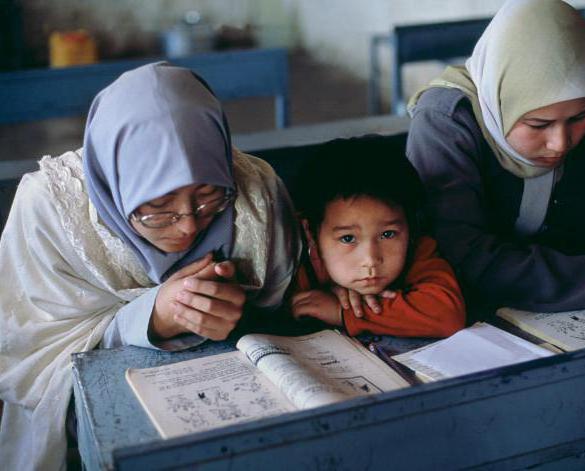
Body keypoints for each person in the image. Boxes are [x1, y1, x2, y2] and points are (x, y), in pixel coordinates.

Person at [0, 63, 300, 470]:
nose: (190, 225)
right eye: (158, 209)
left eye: (209, 196)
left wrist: (235, 310)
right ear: (114, 186)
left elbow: (283, 306)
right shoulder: (51, 209)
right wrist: (152, 317)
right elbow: (25, 353)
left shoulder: (255, 191)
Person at [406, 0, 585, 315]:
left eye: (579, 118)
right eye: (538, 124)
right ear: (499, 101)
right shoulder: (447, 121)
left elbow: (578, 236)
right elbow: (459, 260)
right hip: (460, 310)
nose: (560, 143)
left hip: (557, 308)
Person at [289, 136, 466, 337]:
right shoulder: (292, 265)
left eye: (387, 234)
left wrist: (345, 312)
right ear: (310, 233)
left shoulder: (416, 248)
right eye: (348, 238)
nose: (371, 260)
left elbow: (446, 315)